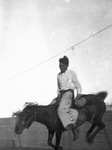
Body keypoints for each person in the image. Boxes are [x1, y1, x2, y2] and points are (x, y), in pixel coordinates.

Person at [52, 55, 82, 141]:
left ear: (66, 65)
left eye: (62, 65)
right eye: (59, 65)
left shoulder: (72, 73)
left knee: (60, 110)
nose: (60, 67)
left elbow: (78, 85)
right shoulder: (58, 75)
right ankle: (56, 126)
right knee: (51, 106)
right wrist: (58, 96)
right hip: (61, 94)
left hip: (69, 93)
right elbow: (58, 87)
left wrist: (79, 94)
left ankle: (74, 129)